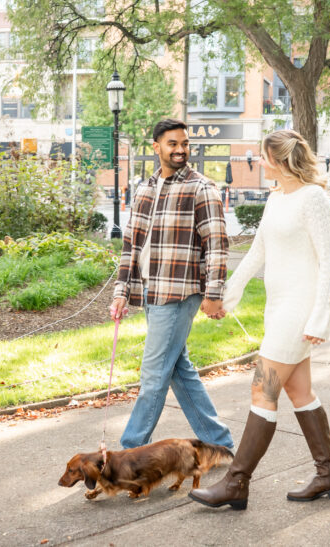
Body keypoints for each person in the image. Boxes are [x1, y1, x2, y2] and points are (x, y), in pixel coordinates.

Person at [189, 129, 330, 511]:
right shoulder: (276, 197)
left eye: (262, 156)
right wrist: (227, 295)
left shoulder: (314, 198)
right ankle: (329, 475)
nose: (257, 161)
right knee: (299, 392)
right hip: (279, 309)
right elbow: (258, 252)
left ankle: (236, 483)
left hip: (299, 311)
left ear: (280, 159)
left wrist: (319, 316)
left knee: (263, 390)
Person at [109, 118, 235, 452]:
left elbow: (217, 246)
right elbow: (131, 246)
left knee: (153, 376)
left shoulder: (200, 187)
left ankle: (130, 453)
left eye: (184, 144)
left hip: (178, 294)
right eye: (172, 144)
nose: (180, 150)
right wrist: (122, 291)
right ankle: (220, 445)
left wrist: (213, 295)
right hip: (151, 291)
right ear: (156, 147)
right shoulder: (145, 188)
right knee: (179, 371)